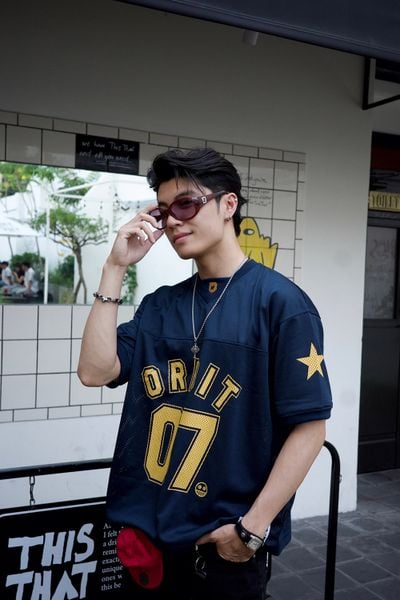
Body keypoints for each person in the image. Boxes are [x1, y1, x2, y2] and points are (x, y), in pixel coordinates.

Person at [78, 147, 333, 599]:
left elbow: (310, 426)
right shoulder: (161, 305)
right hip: (148, 543)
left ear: (228, 204)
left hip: (222, 550)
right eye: (163, 211)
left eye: (186, 204)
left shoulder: (280, 304)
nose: (173, 221)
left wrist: (251, 529)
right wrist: (114, 267)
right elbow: (95, 372)